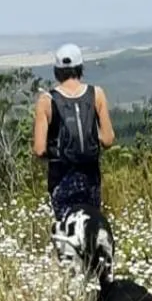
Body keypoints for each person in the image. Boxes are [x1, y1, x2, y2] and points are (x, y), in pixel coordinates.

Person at [32, 43, 115, 221]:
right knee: (91, 227)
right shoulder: (97, 94)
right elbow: (108, 140)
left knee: (66, 233)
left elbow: (39, 149)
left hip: (61, 180)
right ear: (80, 68)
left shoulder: (46, 101)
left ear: (57, 71)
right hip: (91, 178)